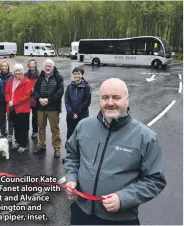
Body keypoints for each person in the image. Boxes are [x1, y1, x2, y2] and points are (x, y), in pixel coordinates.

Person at [64, 78, 166, 225]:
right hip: (81, 213)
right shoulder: (84, 126)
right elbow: (72, 156)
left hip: (120, 220)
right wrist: (72, 178)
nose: (110, 102)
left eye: (116, 97)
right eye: (105, 97)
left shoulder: (146, 137)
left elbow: (155, 180)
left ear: (127, 100)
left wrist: (123, 198)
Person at [33, 59, 64, 158]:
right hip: (41, 108)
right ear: (43, 67)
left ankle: (57, 148)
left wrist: (48, 100)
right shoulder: (40, 77)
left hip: (53, 108)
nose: (47, 68)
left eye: (49, 66)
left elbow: (60, 92)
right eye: (46, 66)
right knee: (41, 128)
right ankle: (41, 145)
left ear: (53, 67)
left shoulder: (58, 77)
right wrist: (39, 99)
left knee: (54, 129)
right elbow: (36, 91)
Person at [5, 63, 32, 153]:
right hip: (12, 107)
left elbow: (26, 96)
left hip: (23, 109)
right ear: (14, 71)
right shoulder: (10, 80)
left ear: (22, 71)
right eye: (16, 70)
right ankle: (17, 141)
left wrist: (14, 102)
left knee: (23, 127)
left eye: (19, 70)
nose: (17, 72)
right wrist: (9, 101)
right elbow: (7, 92)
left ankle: (23, 144)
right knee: (16, 126)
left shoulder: (26, 82)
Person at [65, 67, 91, 140]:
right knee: (70, 132)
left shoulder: (86, 87)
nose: (76, 75)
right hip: (71, 115)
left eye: (78, 74)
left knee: (81, 133)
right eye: (75, 74)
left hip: (82, 115)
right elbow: (67, 101)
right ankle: (70, 148)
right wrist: (71, 113)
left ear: (82, 75)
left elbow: (87, 102)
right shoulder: (69, 87)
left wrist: (77, 113)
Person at [0, 60, 13, 142]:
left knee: (10, 118)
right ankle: (3, 133)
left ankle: (10, 134)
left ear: (8, 67)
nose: (4, 67)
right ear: (0, 67)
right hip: (0, 101)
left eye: (6, 66)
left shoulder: (12, 76)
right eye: (3, 66)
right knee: (2, 118)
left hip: (9, 101)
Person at [24, 59, 40, 139]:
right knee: (25, 116)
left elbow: (41, 86)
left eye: (33, 64)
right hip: (27, 99)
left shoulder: (39, 74)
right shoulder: (26, 75)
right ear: (28, 65)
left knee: (35, 117)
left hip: (35, 98)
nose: (32, 65)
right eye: (30, 64)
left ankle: (35, 131)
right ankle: (25, 131)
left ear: (35, 65)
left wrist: (34, 91)